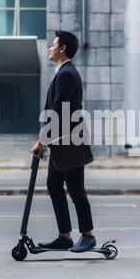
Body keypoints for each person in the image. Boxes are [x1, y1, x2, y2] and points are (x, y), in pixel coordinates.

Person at [30, 30, 96, 253]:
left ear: (63, 48)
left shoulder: (67, 74)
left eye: (53, 44)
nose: (50, 47)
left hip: (70, 141)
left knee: (76, 189)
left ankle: (87, 236)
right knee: (54, 185)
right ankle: (65, 236)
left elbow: (58, 110)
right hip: (62, 142)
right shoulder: (62, 73)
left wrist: (41, 140)